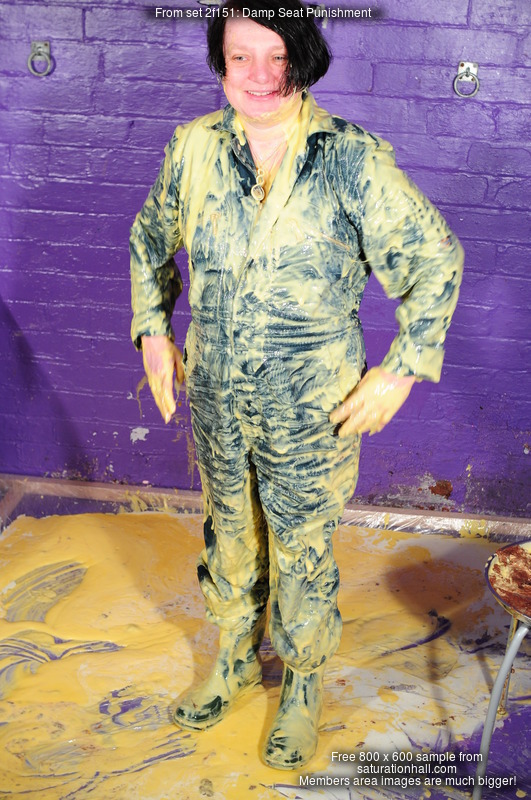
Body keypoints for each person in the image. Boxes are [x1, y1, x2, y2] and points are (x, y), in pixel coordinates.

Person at [129, 0, 463, 770]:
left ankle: (303, 682)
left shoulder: (349, 159)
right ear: (220, 62)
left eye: (276, 56)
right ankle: (234, 658)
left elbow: (434, 258)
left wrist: (401, 366)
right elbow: (148, 242)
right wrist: (152, 330)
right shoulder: (193, 148)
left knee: (302, 549)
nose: (258, 75)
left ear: (302, 57)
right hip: (217, 397)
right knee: (229, 534)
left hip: (311, 408)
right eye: (240, 56)